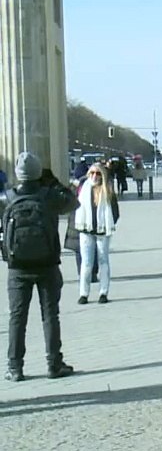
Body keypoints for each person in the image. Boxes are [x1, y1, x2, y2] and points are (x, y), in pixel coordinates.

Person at [2, 153, 78, 381]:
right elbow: (74, 201)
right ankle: (54, 364)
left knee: (17, 317)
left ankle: (15, 367)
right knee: (50, 315)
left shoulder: (7, 197)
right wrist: (53, 181)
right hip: (47, 264)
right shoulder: (49, 196)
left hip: (18, 267)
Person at [74, 163, 120, 305]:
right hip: (86, 230)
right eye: (92, 173)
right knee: (86, 262)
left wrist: (107, 223)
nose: (94, 176)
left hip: (102, 230)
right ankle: (84, 293)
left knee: (103, 260)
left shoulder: (108, 190)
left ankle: (103, 292)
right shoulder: (83, 189)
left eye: (98, 173)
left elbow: (115, 211)